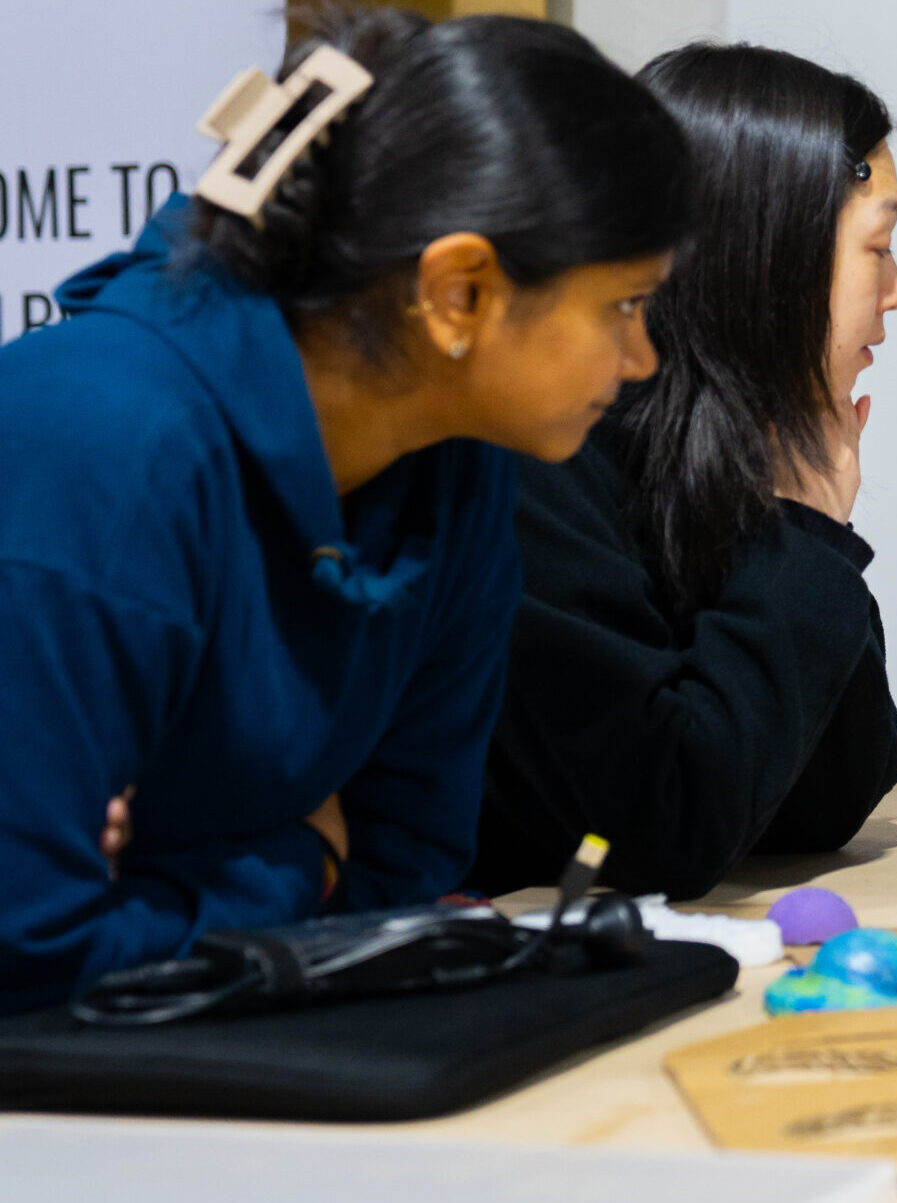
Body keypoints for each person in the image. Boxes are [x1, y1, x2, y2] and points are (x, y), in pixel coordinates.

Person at [0, 10, 690, 1013]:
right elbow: (30, 948)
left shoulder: (458, 463)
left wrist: (180, 882)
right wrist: (302, 862)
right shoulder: (99, 446)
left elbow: (407, 868)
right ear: (458, 292)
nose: (643, 361)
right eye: (623, 307)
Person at [468, 44, 897, 901]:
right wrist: (807, 532)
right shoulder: (535, 461)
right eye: (879, 248)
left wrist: (806, 523)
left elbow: (824, 802)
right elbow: (665, 830)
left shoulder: (718, 454)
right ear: (768, 260)